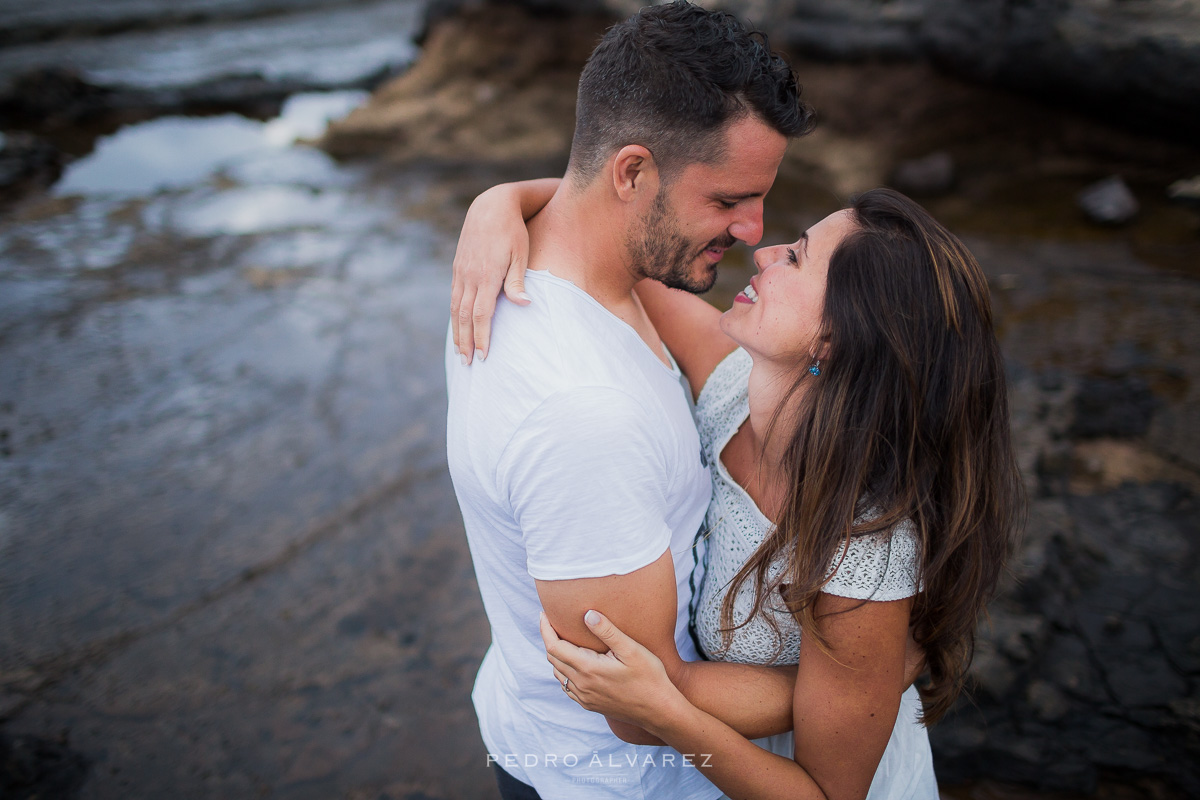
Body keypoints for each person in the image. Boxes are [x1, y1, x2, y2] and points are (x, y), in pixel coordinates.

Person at [453, 182, 1024, 798]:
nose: (764, 251)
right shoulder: (731, 385)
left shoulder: (859, 548)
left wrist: (666, 715)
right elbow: (606, 231)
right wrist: (497, 204)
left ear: (830, 341)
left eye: (797, 257)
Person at [444, 3, 816, 798]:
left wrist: (499, 198)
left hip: (537, 730)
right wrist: (861, 678)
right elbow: (639, 707)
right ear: (633, 173)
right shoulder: (582, 412)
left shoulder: (553, 260)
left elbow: (580, 198)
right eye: (727, 201)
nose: (755, 231)